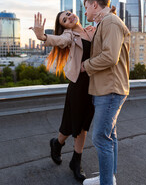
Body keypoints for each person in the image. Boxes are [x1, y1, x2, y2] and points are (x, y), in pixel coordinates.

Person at [29, 11, 97, 183]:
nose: (69, 18)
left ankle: (57, 144)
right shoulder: (69, 35)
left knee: (73, 125)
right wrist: (43, 37)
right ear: (65, 27)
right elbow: (60, 40)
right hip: (78, 85)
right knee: (78, 126)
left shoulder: (93, 30)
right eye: (64, 20)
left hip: (94, 84)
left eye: (68, 14)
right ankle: (76, 161)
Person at [81, 0, 130, 185]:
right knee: (110, 136)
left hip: (110, 89)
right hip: (107, 87)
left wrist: (86, 65)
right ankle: (108, 178)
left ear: (94, 5)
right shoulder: (105, 23)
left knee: (101, 138)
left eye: (86, 7)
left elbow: (110, 57)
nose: (85, 12)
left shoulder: (110, 22)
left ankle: (106, 182)